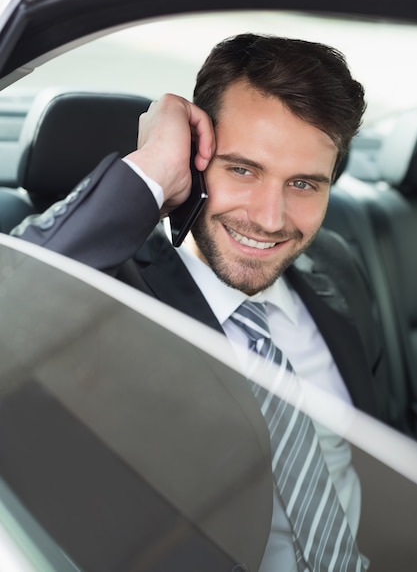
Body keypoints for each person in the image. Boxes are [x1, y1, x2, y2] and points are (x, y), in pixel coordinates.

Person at [13, 34, 387, 571]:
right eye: (242, 169)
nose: (270, 218)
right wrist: (149, 170)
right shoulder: (105, 298)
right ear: (195, 155)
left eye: (304, 183)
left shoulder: (336, 269)